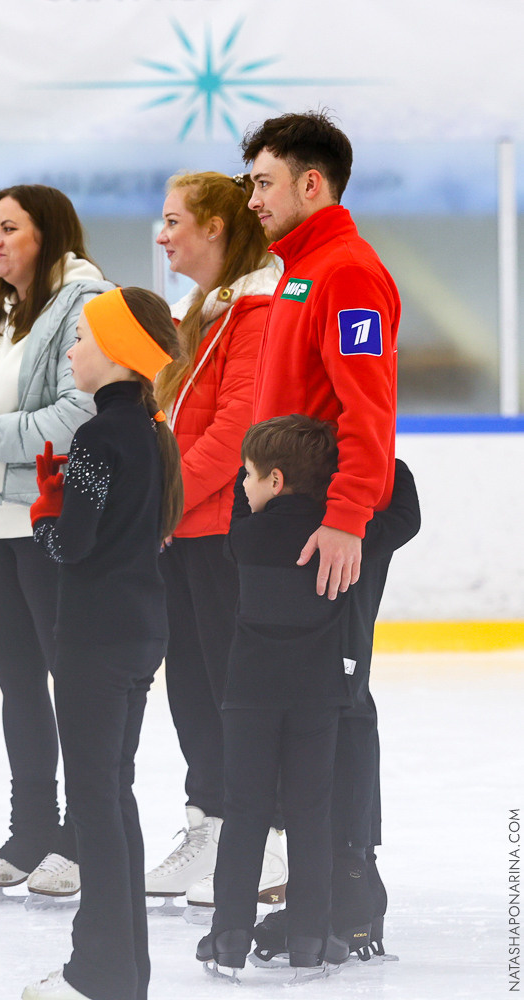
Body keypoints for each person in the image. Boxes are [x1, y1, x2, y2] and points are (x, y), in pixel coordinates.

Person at [241, 110, 400, 951]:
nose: (252, 198)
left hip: (330, 529)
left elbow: (368, 409)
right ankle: (321, 884)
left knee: (335, 703)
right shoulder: (298, 273)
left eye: (263, 181)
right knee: (309, 703)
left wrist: (345, 519)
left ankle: (346, 891)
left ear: (312, 183)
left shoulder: (345, 273)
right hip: (295, 525)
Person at [0, 184, 112, 901]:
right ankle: (33, 826)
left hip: (45, 523)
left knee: (72, 683)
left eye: (10, 228)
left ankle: (79, 836)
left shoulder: (84, 303)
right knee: (19, 684)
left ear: (49, 233)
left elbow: (82, 409)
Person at [196, 416, 420, 982]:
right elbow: (405, 514)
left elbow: (242, 512)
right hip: (318, 696)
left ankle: (227, 937)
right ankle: (310, 941)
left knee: (244, 811)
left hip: (247, 696)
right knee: (311, 815)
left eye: (247, 475)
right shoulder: (344, 541)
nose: (241, 485)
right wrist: (369, 461)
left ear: (274, 480)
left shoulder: (245, 536)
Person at [22, 287, 183, 1000]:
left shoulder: (98, 436)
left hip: (95, 638)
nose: (72, 351)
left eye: (83, 339)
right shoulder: (148, 431)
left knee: (95, 802)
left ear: (119, 353)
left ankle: (98, 974)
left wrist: (42, 514)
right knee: (112, 797)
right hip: (140, 630)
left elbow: (72, 543)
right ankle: (123, 973)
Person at [144, 171, 287, 907]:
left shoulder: (259, 308)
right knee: (194, 687)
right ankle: (212, 823)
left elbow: (236, 430)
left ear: (216, 229)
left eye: (173, 221)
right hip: (185, 531)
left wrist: (162, 505)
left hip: (224, 529)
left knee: (238, 688)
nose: (162, 235)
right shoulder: (197, 311)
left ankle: (265, 836)